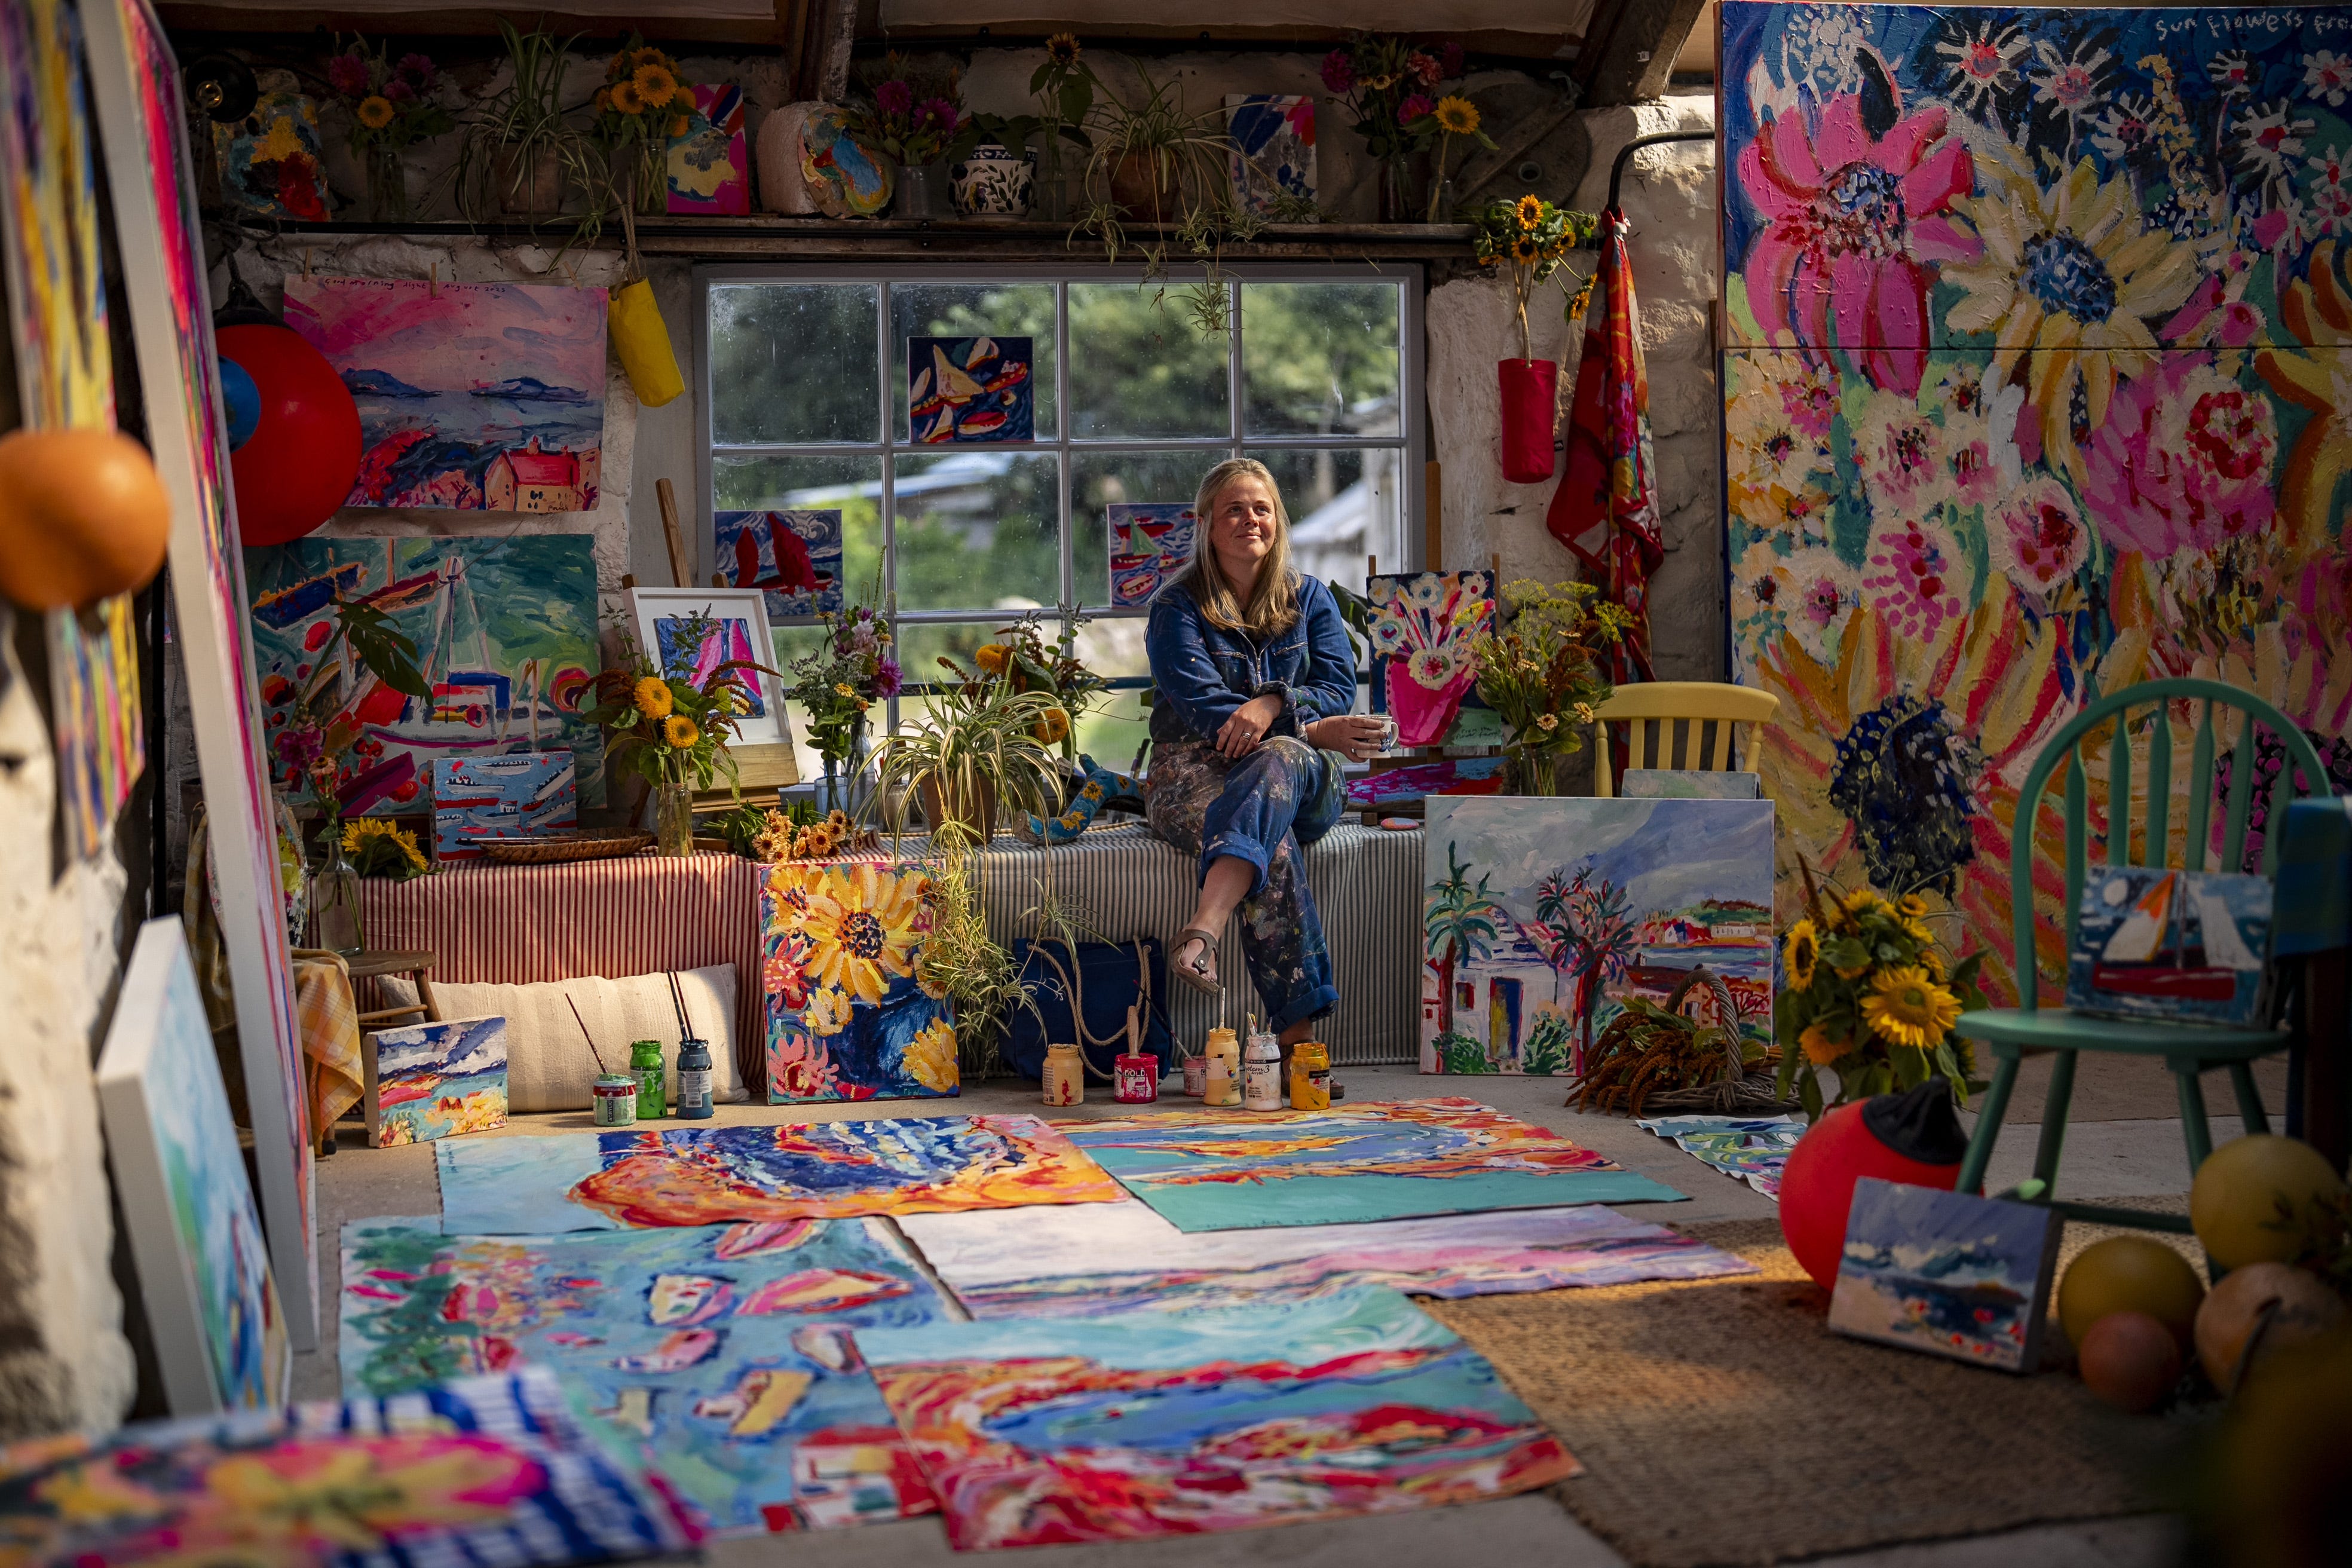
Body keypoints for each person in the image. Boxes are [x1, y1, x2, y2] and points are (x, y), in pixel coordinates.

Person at [1144, 458, 1385, 1049]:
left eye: (1262, 508)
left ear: (1277, 520)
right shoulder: (1176, 607)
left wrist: (1273, 705)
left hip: (1304, 778)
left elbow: (1338, 688)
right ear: (1205, 524)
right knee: (1268, 841)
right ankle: (1300, 1041)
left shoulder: (1311, 598)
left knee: (1280, 757)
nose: (1250, 519)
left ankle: (1206, 924)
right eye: (1234, 509)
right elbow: (1206, 709)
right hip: (1193, 773)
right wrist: (1311, 725)